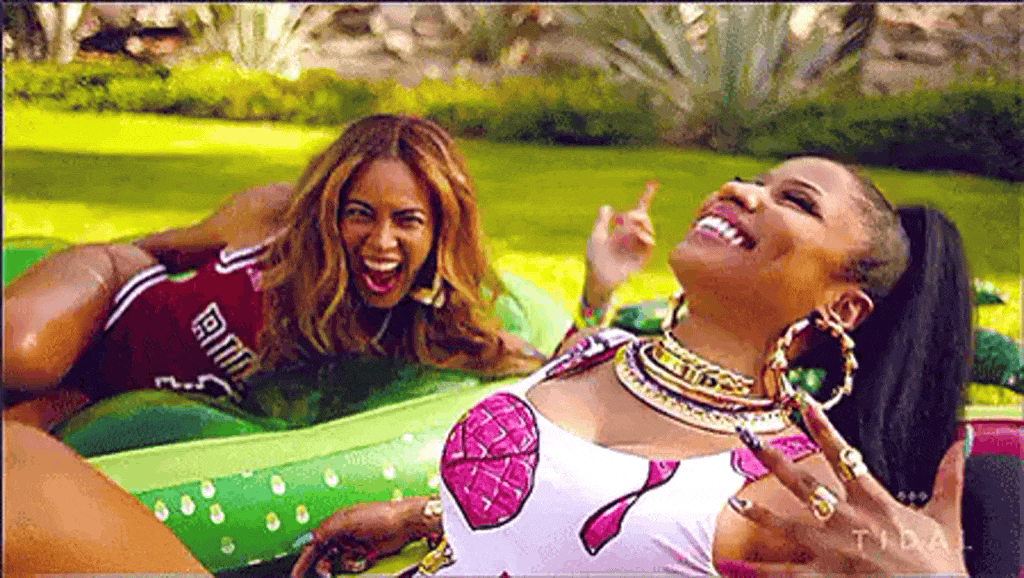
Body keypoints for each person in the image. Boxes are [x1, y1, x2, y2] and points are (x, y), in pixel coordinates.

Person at [292, 157, 976, 577]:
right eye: (754, 181)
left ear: (843, 307)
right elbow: (553, 519)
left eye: (794, 201)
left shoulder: (798, 489)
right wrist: (417, 516)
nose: (740, 190)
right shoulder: (599, 351)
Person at [3, 114, 547, 431]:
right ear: (329, 210)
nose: (381, 242)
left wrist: (587, 309)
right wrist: (73, 281)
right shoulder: (278, 216)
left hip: (109, 394)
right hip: (114, 299)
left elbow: (540, 367)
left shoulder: (423, 332)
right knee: (23, 352)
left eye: (407, 221)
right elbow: (165, 250)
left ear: (439, 232)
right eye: (359, 214)